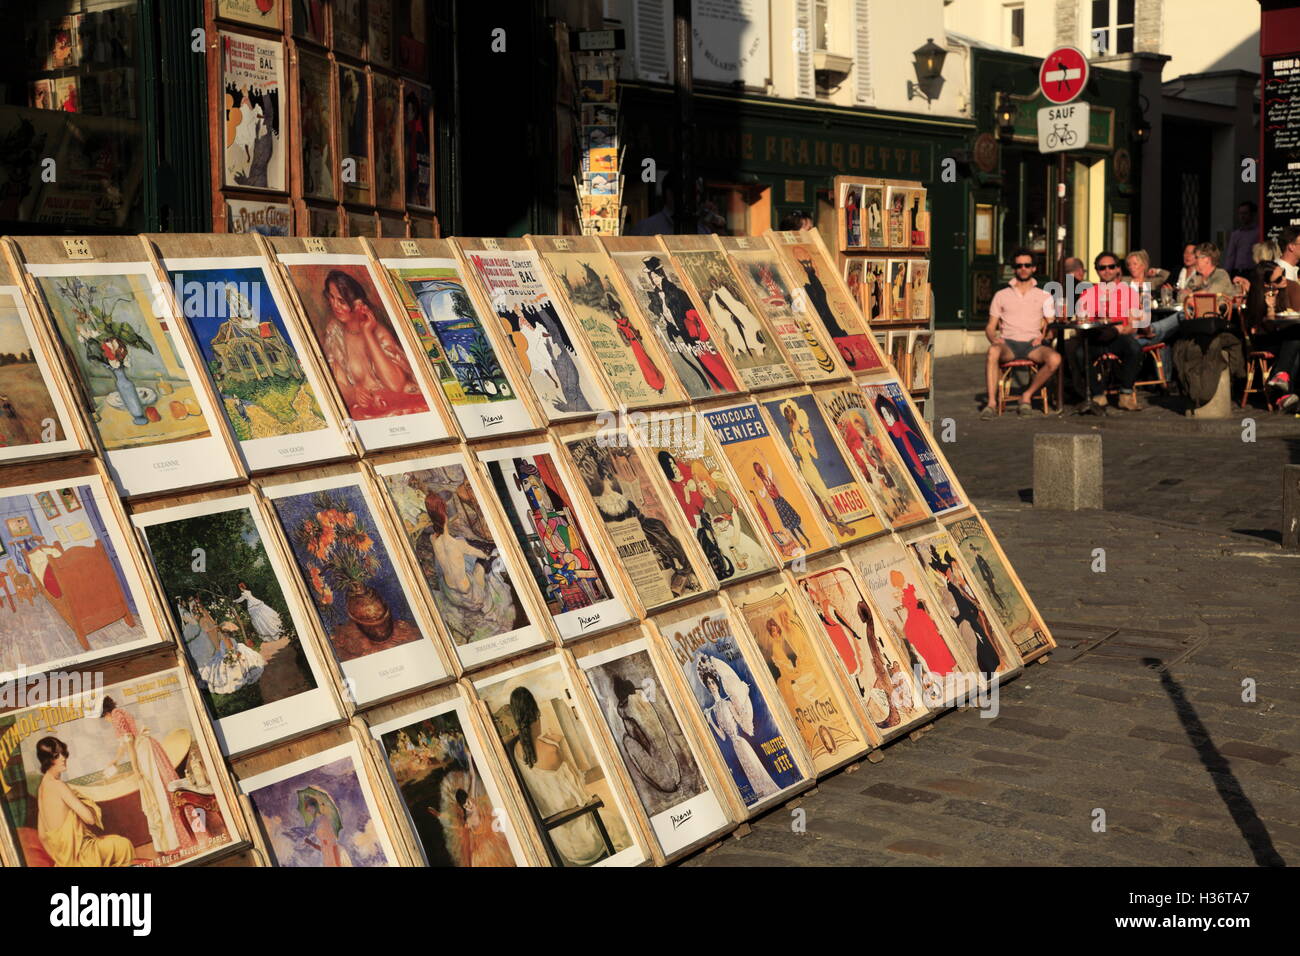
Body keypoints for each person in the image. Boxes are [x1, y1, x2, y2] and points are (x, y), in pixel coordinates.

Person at [509, 686, 609, 865]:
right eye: (538, 715)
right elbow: (578, 789)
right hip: (583, 837)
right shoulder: (551, 751)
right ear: (535, 714)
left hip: (559, 837)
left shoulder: (516, 750)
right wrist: (558, 747)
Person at [320, 270, 425, 417]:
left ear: (358, 304)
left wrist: (367, 333)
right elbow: (339, 382)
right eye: (331, 298)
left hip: (400, 405)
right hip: (370, 409)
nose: (335, 306)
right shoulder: (335, 332)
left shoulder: (378, 332)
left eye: (342, 301)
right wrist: (354, 393)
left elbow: (396, 385)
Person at [101, 696, 195, 858]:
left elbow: (129, 744)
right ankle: (182, 836)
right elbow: (125, 743)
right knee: (164, 790)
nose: (106, 721)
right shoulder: (120, 712)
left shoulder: (116, 717)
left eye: (103, 717)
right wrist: (115, 760)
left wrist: (136, 769)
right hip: (148, 747)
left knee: (159, 794)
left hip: (145, 754)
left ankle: (176, 841)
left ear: (105, 713)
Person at [979, 249, 1061, 420]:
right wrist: (994, 339)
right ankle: (991, 403)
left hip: (1033, 344)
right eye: (1019, 265)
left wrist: (1045, 337)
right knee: (993, 351)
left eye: (1027, 265)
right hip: (1008, 344)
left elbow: (1051, 324)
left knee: (1055, 359)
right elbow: (990, 326)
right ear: (1014, 268)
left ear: (1034, 268)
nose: (1023, 268)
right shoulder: (1001, 295)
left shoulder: (1044, 295)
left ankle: (1027, 396)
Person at [36, 737, 134, 867]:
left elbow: (42, 835)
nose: (63, 758)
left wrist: (61, 860)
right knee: (123, 845)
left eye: (63, 753)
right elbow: (90, 819)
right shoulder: (58, 785)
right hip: (82, 856)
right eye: (56, 755)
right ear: (47, 760)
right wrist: (81, 799)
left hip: (64, 860)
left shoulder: (42, 788)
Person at [697, 654, 779, 800]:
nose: (712, 685)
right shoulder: (714, 711)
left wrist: (741, 695)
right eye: (709, 683)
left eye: (713, 682)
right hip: (735, 747)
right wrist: (710, 722)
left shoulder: (728, 703)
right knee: (749, 772)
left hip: (741, 742)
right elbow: (722, 737)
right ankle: (761, 796)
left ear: (717, 683)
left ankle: (769, 793)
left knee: (755, 768)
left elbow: (741, 721)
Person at [1071, 251, 1144, 412]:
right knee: (1079, 353)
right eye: (1102, 267)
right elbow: (1083, 320)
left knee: (1135, 348)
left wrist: (1119, 329)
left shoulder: (1128, 292)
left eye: (1111, 266)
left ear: (1117, 269)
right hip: (1097, 336)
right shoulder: (1088, 292)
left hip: (1120, 336)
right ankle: (1097, 395)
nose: (1107, 270)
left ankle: (1125, 394)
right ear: (1097, 271)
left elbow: (1134, 325)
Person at [1244, 260, 1300, 412]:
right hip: (1265, 340)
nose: (1283, 279)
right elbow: (1266, 327)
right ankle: (1282, 390)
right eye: (1278, 279)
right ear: (1265, 283)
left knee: (1295, 339)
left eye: (1283, 274)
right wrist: (1270, 309)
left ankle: (1283, 390)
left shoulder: (1282, 292)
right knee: (1295, 337)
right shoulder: (1259, 298)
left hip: (1282, 337)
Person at [1223, 201, 1259, 275]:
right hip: (1238, 271)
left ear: (1252, 214)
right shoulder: (1236, 234)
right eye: (1240, 213)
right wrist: (1226, 273)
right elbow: (1231, 255)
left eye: (1245, 213)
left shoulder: (1258, 233)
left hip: (1253, 271)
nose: (1242, 216)